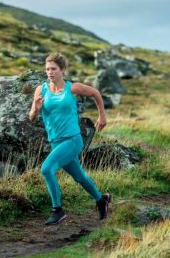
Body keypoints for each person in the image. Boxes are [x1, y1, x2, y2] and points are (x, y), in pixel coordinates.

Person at [29, 52, 111, 225]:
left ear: (62, 70)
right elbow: (31, 117)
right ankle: (101, 199)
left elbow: (95, 93)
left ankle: (57, 210)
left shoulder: (72, 88)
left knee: (46, 169)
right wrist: (36, 109)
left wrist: (102, 116)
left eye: (53, 69)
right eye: (47, 69)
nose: (50, 72)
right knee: (79, 177)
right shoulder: (41, 89)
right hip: (55, 142)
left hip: (72, 140)